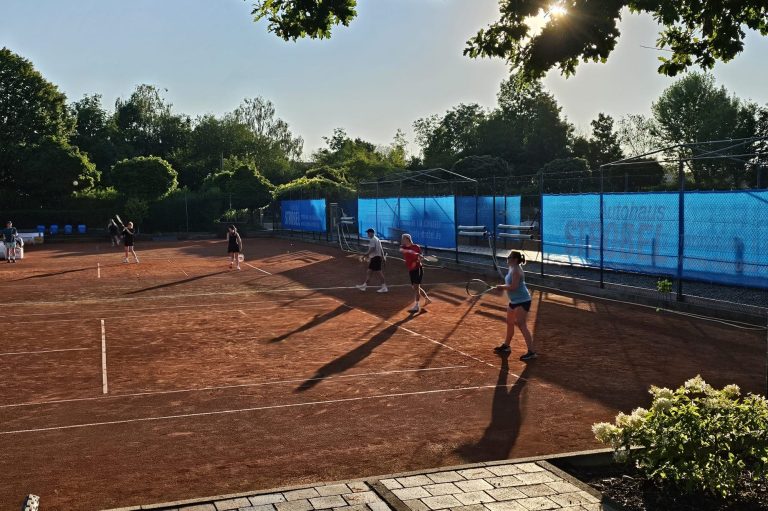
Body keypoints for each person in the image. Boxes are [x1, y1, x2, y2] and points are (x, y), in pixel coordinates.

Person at [494, 251, 536, 360]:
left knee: (522, 324)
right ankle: (506, 346)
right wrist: (502, 287)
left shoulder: (517, 270)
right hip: (514, 301)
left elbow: (514, 287)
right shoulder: (512, 268)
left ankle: (531, 352)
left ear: (515, 259)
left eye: (510, 257)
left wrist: (501, 287)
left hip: (523, 301)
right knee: (510, 322)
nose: (507, 258)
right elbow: (510, 285)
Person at [399, 233, 432, 313]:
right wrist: (412, 253)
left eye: (403, 239)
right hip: (411, 269)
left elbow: (420, 258)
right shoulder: (403, 247)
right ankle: (427, 299)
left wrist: (417, 260)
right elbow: (402, 250)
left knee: (416, 288)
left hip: (417, 269)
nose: (402, 240)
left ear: (407, 239)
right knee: (415, 287)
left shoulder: (416, 247)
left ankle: (416, 306)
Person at [356, 228, 388, 293]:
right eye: (367, 233)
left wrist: (365, 255)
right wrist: (383, 257)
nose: (367, 234)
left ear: (372, 233)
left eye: (368, 233)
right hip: (376, 258)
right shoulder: (377, 239)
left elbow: (372, 249)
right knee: (369, 272)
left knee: (379, 273)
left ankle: (384, 287)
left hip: (375, 258)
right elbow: (381, 249)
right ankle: (364, 286)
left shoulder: (373, 240)